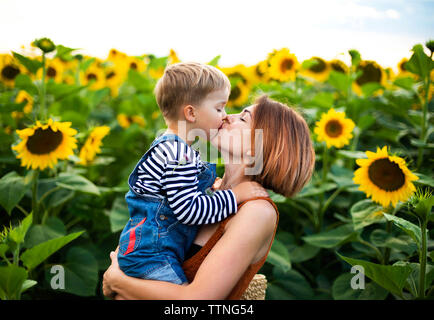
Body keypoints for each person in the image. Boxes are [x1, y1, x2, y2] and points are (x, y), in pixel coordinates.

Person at [103, 95, 316, 299]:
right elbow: (145, 225)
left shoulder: (256, 211)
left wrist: (117, 280)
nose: (226, 116)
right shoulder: (204, 190)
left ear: (260, 145)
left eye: (243, 118)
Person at [117, 62, 268, 285]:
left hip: (145, 251)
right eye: (219, 108)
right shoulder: (180, 156)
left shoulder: (168, 146)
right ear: (191, 113)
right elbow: (189, 210)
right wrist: (236, 195)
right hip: (154, 257)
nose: (225, 116)